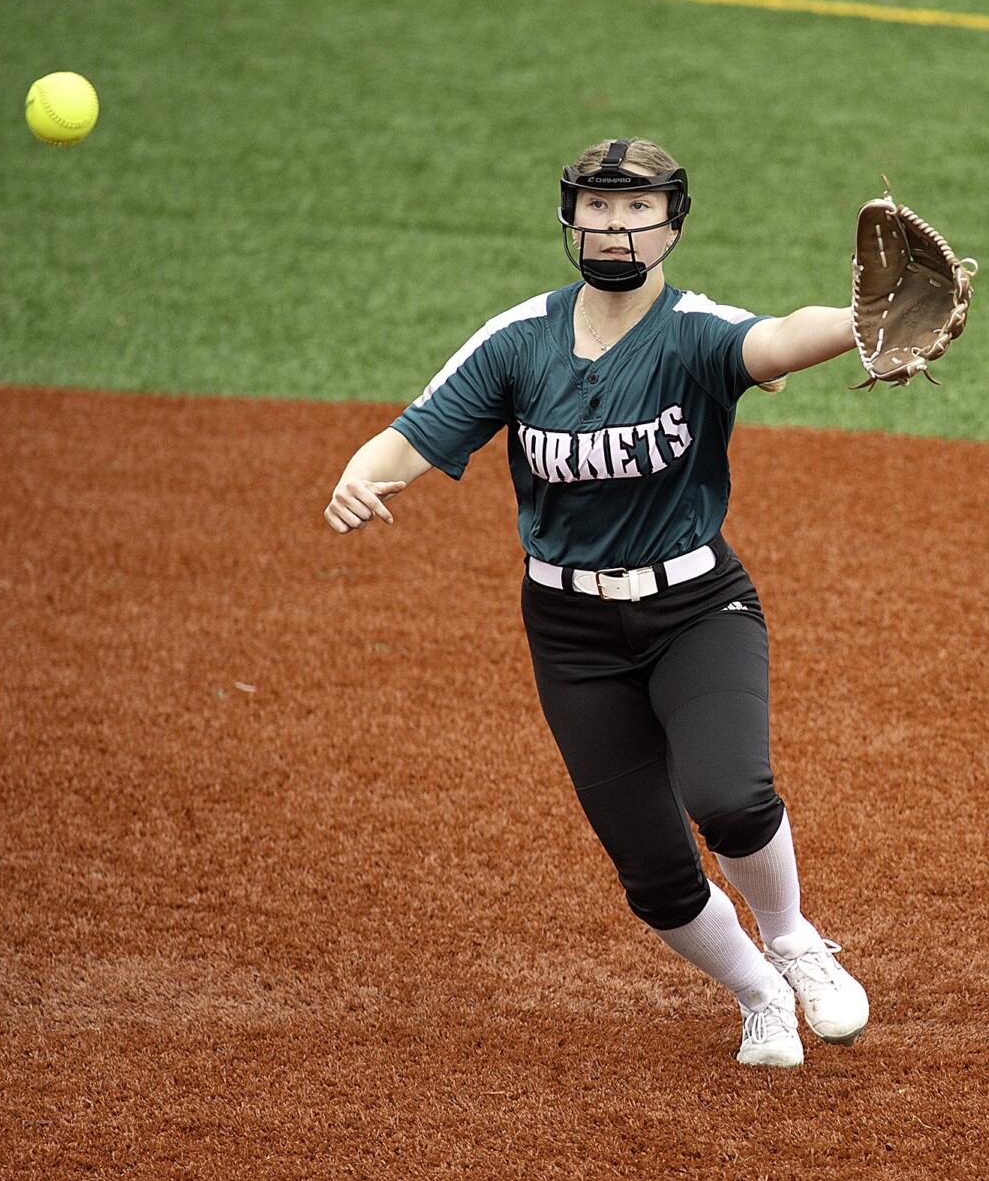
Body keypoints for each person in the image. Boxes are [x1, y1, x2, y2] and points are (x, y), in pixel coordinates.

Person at [324, 137, 884, 1068]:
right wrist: (361, 471)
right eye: (596, 208)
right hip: (572, 633)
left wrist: (864, 321)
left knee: (732, 798)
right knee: (656, 874)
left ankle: (793, 940)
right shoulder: (519, 340)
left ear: (671, 223)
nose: (614, 227)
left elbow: (778, 338)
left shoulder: (694, 332)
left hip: (699, 607)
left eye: (634, 211)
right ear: (570, 217)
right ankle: (759, 997)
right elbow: (418, 431)